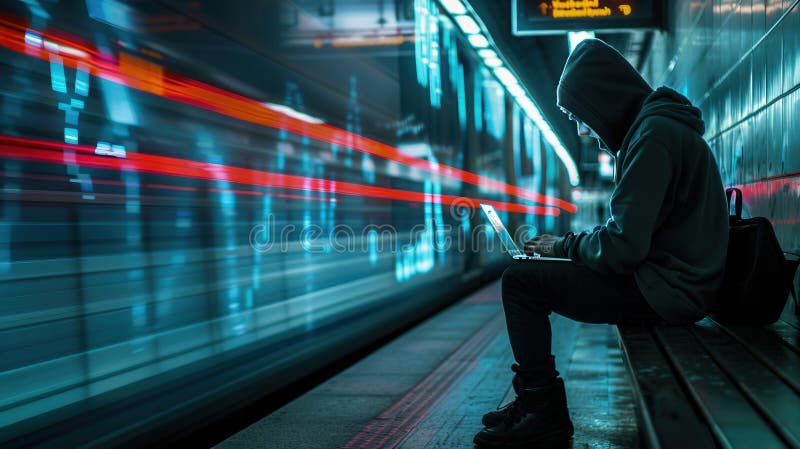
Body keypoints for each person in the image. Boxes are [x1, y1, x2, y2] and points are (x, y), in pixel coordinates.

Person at [473, 39, 729, 448]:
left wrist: (561, 248)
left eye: (580, 116)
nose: (582, 130)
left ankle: (541, 410)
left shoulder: (653, 137)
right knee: (533, 272)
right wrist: (567, 250)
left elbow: (621, 249)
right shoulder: (655, 129)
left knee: (520, 281)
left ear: (602, 99)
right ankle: (536, 402)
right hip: (672, 281)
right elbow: (626, 240)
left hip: (670, 291)